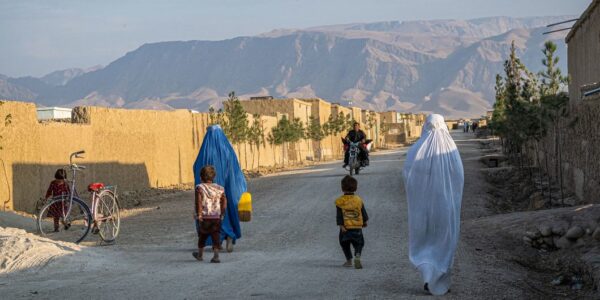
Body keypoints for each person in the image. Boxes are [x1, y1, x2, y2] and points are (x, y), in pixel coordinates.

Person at [403, 114, 464, 296]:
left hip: (422, 209)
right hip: (446, 207)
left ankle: (428, 278)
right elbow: (459, 177)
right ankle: (441, 279)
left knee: (426, 241)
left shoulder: (416, 150)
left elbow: (407, 174)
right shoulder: (451, 150)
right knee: (444, 241)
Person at [193, 125, 246, 253]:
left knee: (209, 218)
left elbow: (196, 168)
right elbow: (236, 173)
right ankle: (228, 235)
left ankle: (215, 244)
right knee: (225, 212)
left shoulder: (204, 152)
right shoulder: (227, 151)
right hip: (224, 192)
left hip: (206, 196)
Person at [193, 165, 227, 263]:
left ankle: (200, 255)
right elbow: (224, 202)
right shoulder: (220, 188)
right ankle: (216, 256)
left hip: (205, 217)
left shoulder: (200, 188)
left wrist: (199, 214)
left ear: (201, 177)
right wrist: (222, 213)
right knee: (215, 236)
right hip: (216, 217)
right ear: (213, 177)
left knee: (202, 236)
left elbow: (198, 202)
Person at [335, 175, 369, 269]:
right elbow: (363, 212)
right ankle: (357, 256)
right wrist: (364, 222)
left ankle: (349, 260)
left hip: (345, 228)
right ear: (355, 187)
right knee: (359, 243)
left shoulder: (340, 201)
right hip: (357, 227)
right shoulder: (358, 200)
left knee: (344, 244)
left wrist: (341, 225)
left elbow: (339, 215)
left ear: (342, 188)